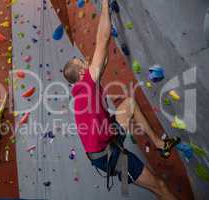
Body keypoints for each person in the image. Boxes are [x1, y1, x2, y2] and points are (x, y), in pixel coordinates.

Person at [63, 1, 179, 199]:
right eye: (83, 62)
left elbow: (104, 55)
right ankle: (134, 175)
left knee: (129, 105)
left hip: (107, 141)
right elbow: (102, 41)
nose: (87, 61)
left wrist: (103, 47)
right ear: (82, 72)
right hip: (110, 157)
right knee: (159, 185)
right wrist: (106, 6)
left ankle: (160, 145)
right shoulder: (87, 85)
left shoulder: (82, 90)